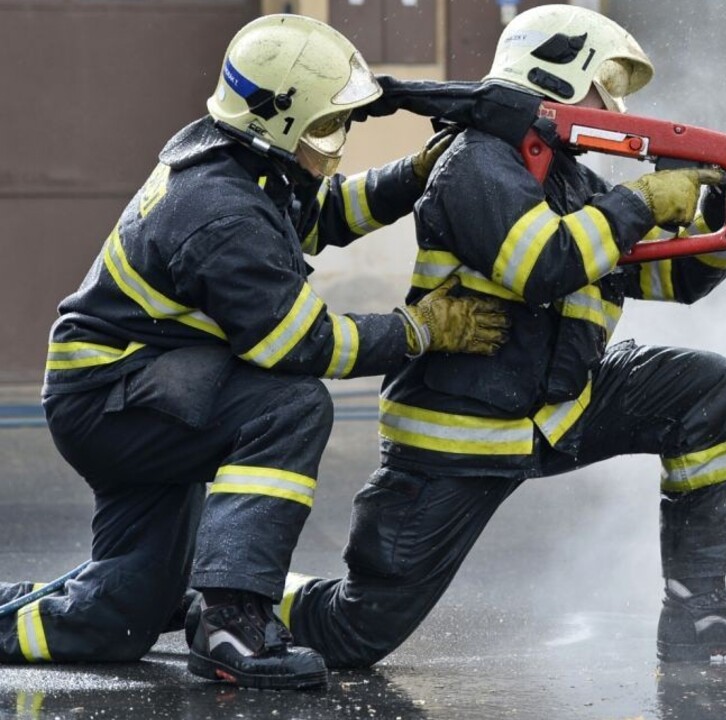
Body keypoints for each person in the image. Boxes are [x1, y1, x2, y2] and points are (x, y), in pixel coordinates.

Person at [281, 4, 726, 667]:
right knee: (353, 634)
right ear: (554, 74)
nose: (615, 108)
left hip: (561, 411)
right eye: (605, 85)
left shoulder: (577, 183)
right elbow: (542, 265)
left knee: (705, 390)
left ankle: (699, 609)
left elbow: (681, 278)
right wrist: (642, 200)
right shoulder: (475, 163)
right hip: (460, 435)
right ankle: (231, 600)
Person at [0, 14, 510, 690]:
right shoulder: (224, 212)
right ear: (280, 119)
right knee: (288, 407)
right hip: (117, 402)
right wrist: (421, 329)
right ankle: (232, 622)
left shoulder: (238, 163)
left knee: (122, 616)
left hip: (132, 392)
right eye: (326, 125)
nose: (337, 139)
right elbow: (305, 343)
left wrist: (411, 176)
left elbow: (321, 215)